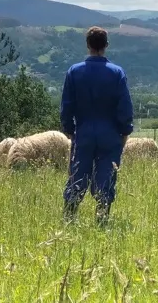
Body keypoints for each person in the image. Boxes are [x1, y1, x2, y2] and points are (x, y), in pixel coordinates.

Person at [59, 26, 134, 227]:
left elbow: (67, 104)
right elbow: (125, 107)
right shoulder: (117, 73)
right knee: (106, 176)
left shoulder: (74, 71)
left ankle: (69, 220)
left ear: (88, 45)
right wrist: (125, 131)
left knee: (77, 175)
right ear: (106, 46)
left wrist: (69, 129)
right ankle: (102, 220)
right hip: (110, 133)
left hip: (83, 132)